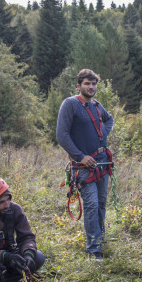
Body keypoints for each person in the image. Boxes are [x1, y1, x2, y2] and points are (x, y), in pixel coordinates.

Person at [56, 69, 114, 261]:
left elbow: (109, 118)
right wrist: (80, 156)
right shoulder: (70, 104)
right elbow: (62, 135)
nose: (91, 87)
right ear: (78, 85)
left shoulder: (97, 106)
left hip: (102, 163)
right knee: (91, 204)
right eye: (87, 84)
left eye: (94, 84)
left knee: (102, 204)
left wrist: (103, 133)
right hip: (83, 167)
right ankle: (94, 250)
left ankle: (99, 239)